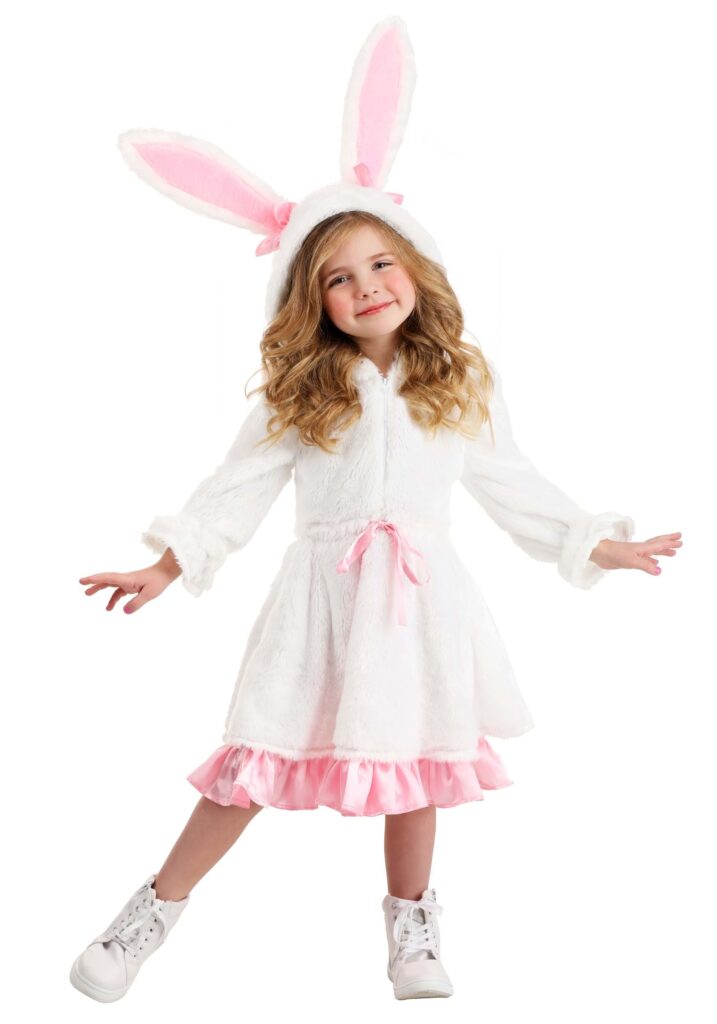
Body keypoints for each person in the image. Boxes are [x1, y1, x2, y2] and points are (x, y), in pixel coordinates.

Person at [69, 17, 682, 1004]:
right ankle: (154, 908)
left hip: (418, 605)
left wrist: (594, 543)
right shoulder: (301, 393)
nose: (364, 288)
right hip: (320, 603)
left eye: (380, 265)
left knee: (416, 764)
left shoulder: (459, 381)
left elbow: (510, 479)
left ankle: (411, 927)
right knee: (250, 762)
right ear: (312, 302)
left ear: (416, 267)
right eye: (338, 279)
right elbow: (233, 489)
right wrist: (167, 562)